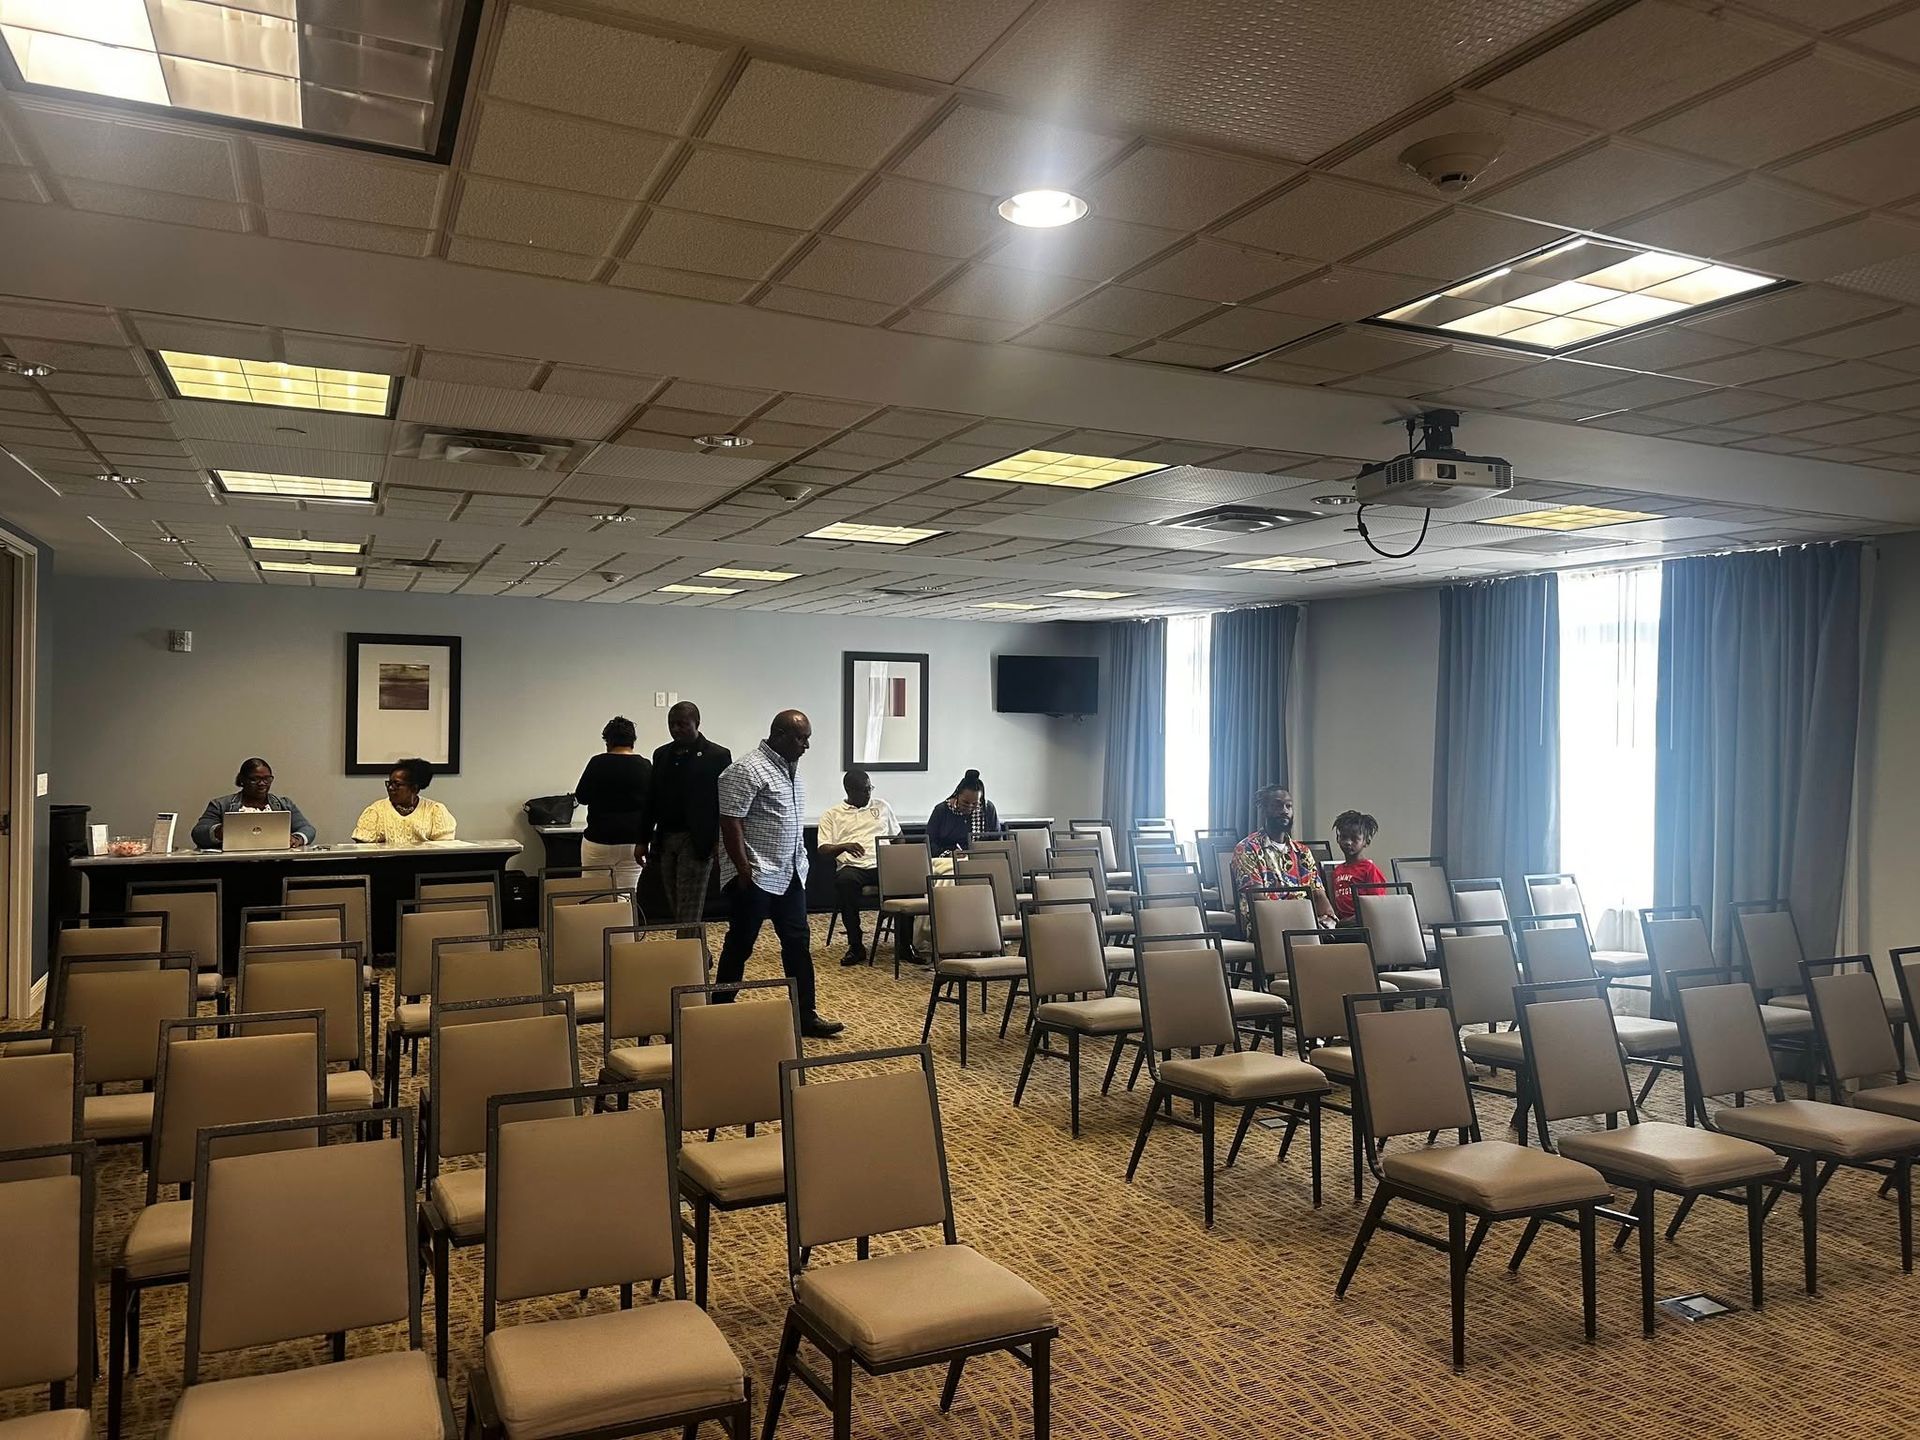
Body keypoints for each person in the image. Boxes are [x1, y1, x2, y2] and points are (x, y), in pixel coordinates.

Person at [714, 710, 844, 1039]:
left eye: (808, 738)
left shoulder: (791, 770)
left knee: (798, 944)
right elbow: (730, 822)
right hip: (756, 874)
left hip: (790, 874)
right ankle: (716, 1012)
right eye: (801, 738)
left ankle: (805, 1015)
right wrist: (743, 869)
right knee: (741, 944)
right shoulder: (746, 769)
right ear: (779, 735)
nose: (806, 745)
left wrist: (801, 860)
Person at [644, 701, 731, 926]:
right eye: (671, 724)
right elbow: (652, 799)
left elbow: (724, 803)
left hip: (697, 840)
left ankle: (687, 947)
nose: (676, 729)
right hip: (666, 838)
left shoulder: (717, 755)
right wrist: (642, 840)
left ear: (697, 723)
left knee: (690, 905)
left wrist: (720, 841)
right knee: (675, 901)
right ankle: (692, 945)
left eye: (682, 724)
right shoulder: (661, 754)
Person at [816, 768, 900, 967]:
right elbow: (823, 849)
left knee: (907, 882)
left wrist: (899, 859)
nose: (869, 793)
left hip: (882, 864)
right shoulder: (832, 815)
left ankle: (905, 944)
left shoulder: (882, 807)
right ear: (849, 791)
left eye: (870, 788)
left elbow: (898, 838)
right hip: (853, 867)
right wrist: (844, 846)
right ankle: (856, 945)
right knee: (845, 883)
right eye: (864, 790)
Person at [1230, 784, 1333, 929]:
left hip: (1306, 923)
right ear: (1265, 810)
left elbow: (1318, 894)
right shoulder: (1247, 848)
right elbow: (1257, 899)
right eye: (1277, 805)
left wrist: (1329, 918)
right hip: (1267, 924)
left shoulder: (1302, 852)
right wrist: (1303, 922)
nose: (1284, 811)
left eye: (1288, 806)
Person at [573, 715, 652, 894]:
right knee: (626, 895)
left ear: (608, 741)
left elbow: (582, 797)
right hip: (634, 842)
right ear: (633, 741)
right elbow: (653, 803)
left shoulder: (597, 763)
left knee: (594, 895)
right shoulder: (645, 766)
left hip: (600, 839)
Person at [191, 757, 315, 849]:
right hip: (232, 865)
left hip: (276, 863)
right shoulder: (220, 805)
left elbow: (307, 829)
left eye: (267, 779)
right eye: (255, 779)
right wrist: (218, 832)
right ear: (242, 780)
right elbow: (198, 833)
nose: (262, 783)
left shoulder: (284, 804)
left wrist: (297, 839)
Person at [351, 758, 457, 845]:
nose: (390, 788)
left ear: (414, 788)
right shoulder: (376, 811)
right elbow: (362, 848)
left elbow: (444, 849)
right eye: (389, 783)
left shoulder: (435, 811)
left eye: (397, 784)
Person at [1328, 809, 1387, 922]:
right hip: (1342, 923)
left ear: (1366, 841)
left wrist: (1353, 919)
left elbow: (1377, 905)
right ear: (1338, 839)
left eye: (1354, 838)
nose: (1348, 842)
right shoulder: (1337, 871)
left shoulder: (1369, 869)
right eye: (1344, 837)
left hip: (1363, 922)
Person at [924, 769, 1000, 856]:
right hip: (948, 860)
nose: (970, 807)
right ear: (957, 796)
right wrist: (949, 854)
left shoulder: (987, 809)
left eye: (975, 804)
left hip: (981, 858)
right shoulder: (941, 811)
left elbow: (997, 840)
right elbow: (929, 844)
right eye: (965, 803)